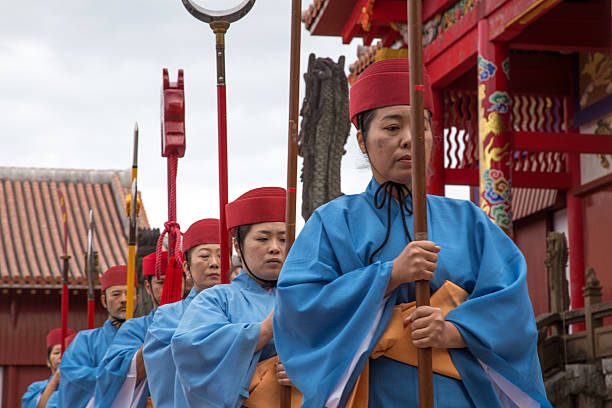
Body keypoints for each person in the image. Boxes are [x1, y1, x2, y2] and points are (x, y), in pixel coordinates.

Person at [274, 58, 550, 407]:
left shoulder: (468, 220)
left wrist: (453, 330)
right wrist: (388, 276)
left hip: (457, 394)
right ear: (361, 140)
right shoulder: (332, 223)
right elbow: (300, 309)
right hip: (372, 394)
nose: (409, 139)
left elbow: (511, 307)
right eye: (391, 128)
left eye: (420, 126)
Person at [172, 187, 300, 407]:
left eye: (283, 239)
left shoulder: (307, 296)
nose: (275, 248)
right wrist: (263, 331)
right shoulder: (215, 300)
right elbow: (192, 351)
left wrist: (308, 368)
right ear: (237, 247)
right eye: (262, 239)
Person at [143, 218, 221, 407]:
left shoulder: (247, 309)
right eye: (204, 256)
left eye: (221, 255)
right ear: (186, 267)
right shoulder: (168, 316)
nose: (214, 263)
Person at [95, 250, 180, 408]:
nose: (169, 288)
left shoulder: (197, 319)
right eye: (161, 283)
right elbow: (111, 376)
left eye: (175, 281)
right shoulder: (134, 328)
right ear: (148, 287)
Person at [59, 265, 136, 407]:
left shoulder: (148, 336)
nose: (124, 299)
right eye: (116, 294)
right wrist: (126, 375)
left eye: (129, 293)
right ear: (103, 300)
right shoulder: (85, 341)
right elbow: (73, 376)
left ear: (137, 297)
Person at [22, 328, 75, 408]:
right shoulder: (36, 388)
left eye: (67, 352)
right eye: (57, 352)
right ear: (48, 361)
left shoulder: (84, 385)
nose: (62, 356)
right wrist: (56, 379)